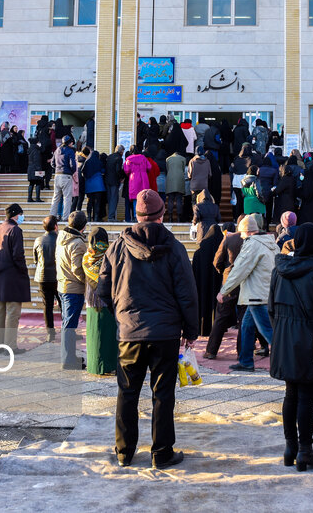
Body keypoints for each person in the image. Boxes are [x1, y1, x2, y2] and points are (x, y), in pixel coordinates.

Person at [95, 189, 199, 469]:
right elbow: (187, 293)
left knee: (127, 392)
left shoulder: (117, 247)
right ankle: (162, 452)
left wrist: (119, 313)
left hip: (130, 331)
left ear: (136, 214)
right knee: (163, 393)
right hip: (165, 332)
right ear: (161, 215)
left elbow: (102, 289)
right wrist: (191, 330)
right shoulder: (174, 247)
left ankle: (124, 452)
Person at [269, 223, 313, 471]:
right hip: (311, 337)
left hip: (284, 337)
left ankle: (290, 448)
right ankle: (305, 451)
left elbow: (271, 309)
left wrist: (280, 332)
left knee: (290, 394)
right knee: (307, 396)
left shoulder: (279, 269)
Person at [220, 214, 279, 372]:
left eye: (241, 233)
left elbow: (240, 269)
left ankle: (288, 361)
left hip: (256, 296)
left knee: (269, 332)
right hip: (264, 293)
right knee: (246, 327)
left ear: (247, 231)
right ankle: (245, 361)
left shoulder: (252, 244)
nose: (241, 236)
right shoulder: (270, 243)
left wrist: (224, 290)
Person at [0, 203, 29, 353]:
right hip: (12, 276)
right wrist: (23, 271)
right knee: (13, 312)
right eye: (21, 214)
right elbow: (18, 255)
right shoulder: (15, 230)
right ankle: (10, 346)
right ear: (16, 215)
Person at [204, 222, 244, 359]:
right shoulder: (251, 240)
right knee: (244, 320)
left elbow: (217, 261)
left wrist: (224, 272)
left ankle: (211, 350)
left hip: (229, 282)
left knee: (220, 318)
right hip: (245, 282)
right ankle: (242, 353)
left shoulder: (229, 239)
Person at [56, 211, 88, 370]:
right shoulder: (78, 243)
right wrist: (89, 282)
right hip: (73, 287)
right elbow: (77, 269)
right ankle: (68, 360)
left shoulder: (61, 237)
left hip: (63, 285)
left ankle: (68, 357)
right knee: (69, 324)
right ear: (83, 226)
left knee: (67, 323)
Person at [84, 227, 116, 376]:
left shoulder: (86, 257)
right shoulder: (110, 256)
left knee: (94, 334)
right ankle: (108, 365)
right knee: (107, 335)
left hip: (91, 299)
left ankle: (95, 365)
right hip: (107, 299)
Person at [193, 224, 225, 337]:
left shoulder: (198, 254)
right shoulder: (222, 254)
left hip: (201, 287)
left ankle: (202, 329)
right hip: (218, 287)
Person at [33, 215, 60, 342]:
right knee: (63, 305)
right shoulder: (60, 239)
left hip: (42, 277)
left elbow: (35, 260)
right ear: (55, 226)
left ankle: (50, 333)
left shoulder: (38, 240)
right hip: (58, 277)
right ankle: (68, 331)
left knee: (47, 305)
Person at [123, 148, 153, 222]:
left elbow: (126, 170)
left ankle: (136, 216)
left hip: (134, 179)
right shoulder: (144, 158)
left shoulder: (128, 159)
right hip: (144, 178)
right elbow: (149, 167)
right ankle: (144, 215)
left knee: (135, 198)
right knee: (144, 197)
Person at [50, 137, 77, 218]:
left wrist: (57, 168)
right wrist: (72, 171)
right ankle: (65, 217)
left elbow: (52, 163)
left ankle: (52, 216)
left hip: (57, 175)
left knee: (56, 197)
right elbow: (72, 164)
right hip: (66, 175)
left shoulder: (57, 150)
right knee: (67, 198)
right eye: (71, 142)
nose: (72, 144)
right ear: (69, 143)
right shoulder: (70, 151)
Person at [81, 148, 106, 221]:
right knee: (97, 202)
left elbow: (83, 172)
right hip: (99, 185)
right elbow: (103, 171)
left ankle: (88, 217)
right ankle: (96, 217)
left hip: (89, 185)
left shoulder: (87, 162)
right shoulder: (99, 162)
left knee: (90, 202)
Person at [165, 150, 187, 222]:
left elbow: (167, 169)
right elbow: (183, 169)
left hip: (170, 179)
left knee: (170, 199)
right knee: (179, 199)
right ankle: (178, 217)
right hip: (179, 179)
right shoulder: (183, 159)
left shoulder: (168, 159)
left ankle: (170, 217)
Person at [104, 145, 124, 221]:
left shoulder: (109, 157)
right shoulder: (119, 158)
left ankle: (110, 216)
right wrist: (122, 177)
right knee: (114, 198)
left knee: (109, 198)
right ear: (121, 151)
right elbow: (118, 170)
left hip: (107, 180)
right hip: (114, 181)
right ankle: (111, 217)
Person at [27, 137, 45, 203]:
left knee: (31, 183)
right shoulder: (36, 150)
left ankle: (29, 198)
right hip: (37, 168)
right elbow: (37, 160)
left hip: (30, 168)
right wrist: (40, 170)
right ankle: (37, 198)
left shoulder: (30, 149)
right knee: (38, 183)